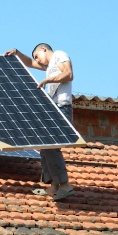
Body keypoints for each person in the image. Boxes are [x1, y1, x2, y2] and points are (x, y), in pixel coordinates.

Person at [5, 43, 75, 201]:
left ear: (44, 49)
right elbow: (29, 63)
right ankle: (54, 185)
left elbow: (68, 74)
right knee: (43, 143)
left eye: (38, 56)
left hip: (62, 107)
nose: (38, 60)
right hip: (54, 108)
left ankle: (65, 185)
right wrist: (17, 53)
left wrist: (47, 81)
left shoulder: (59, 54)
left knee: (50, 143)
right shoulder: (50, 65)